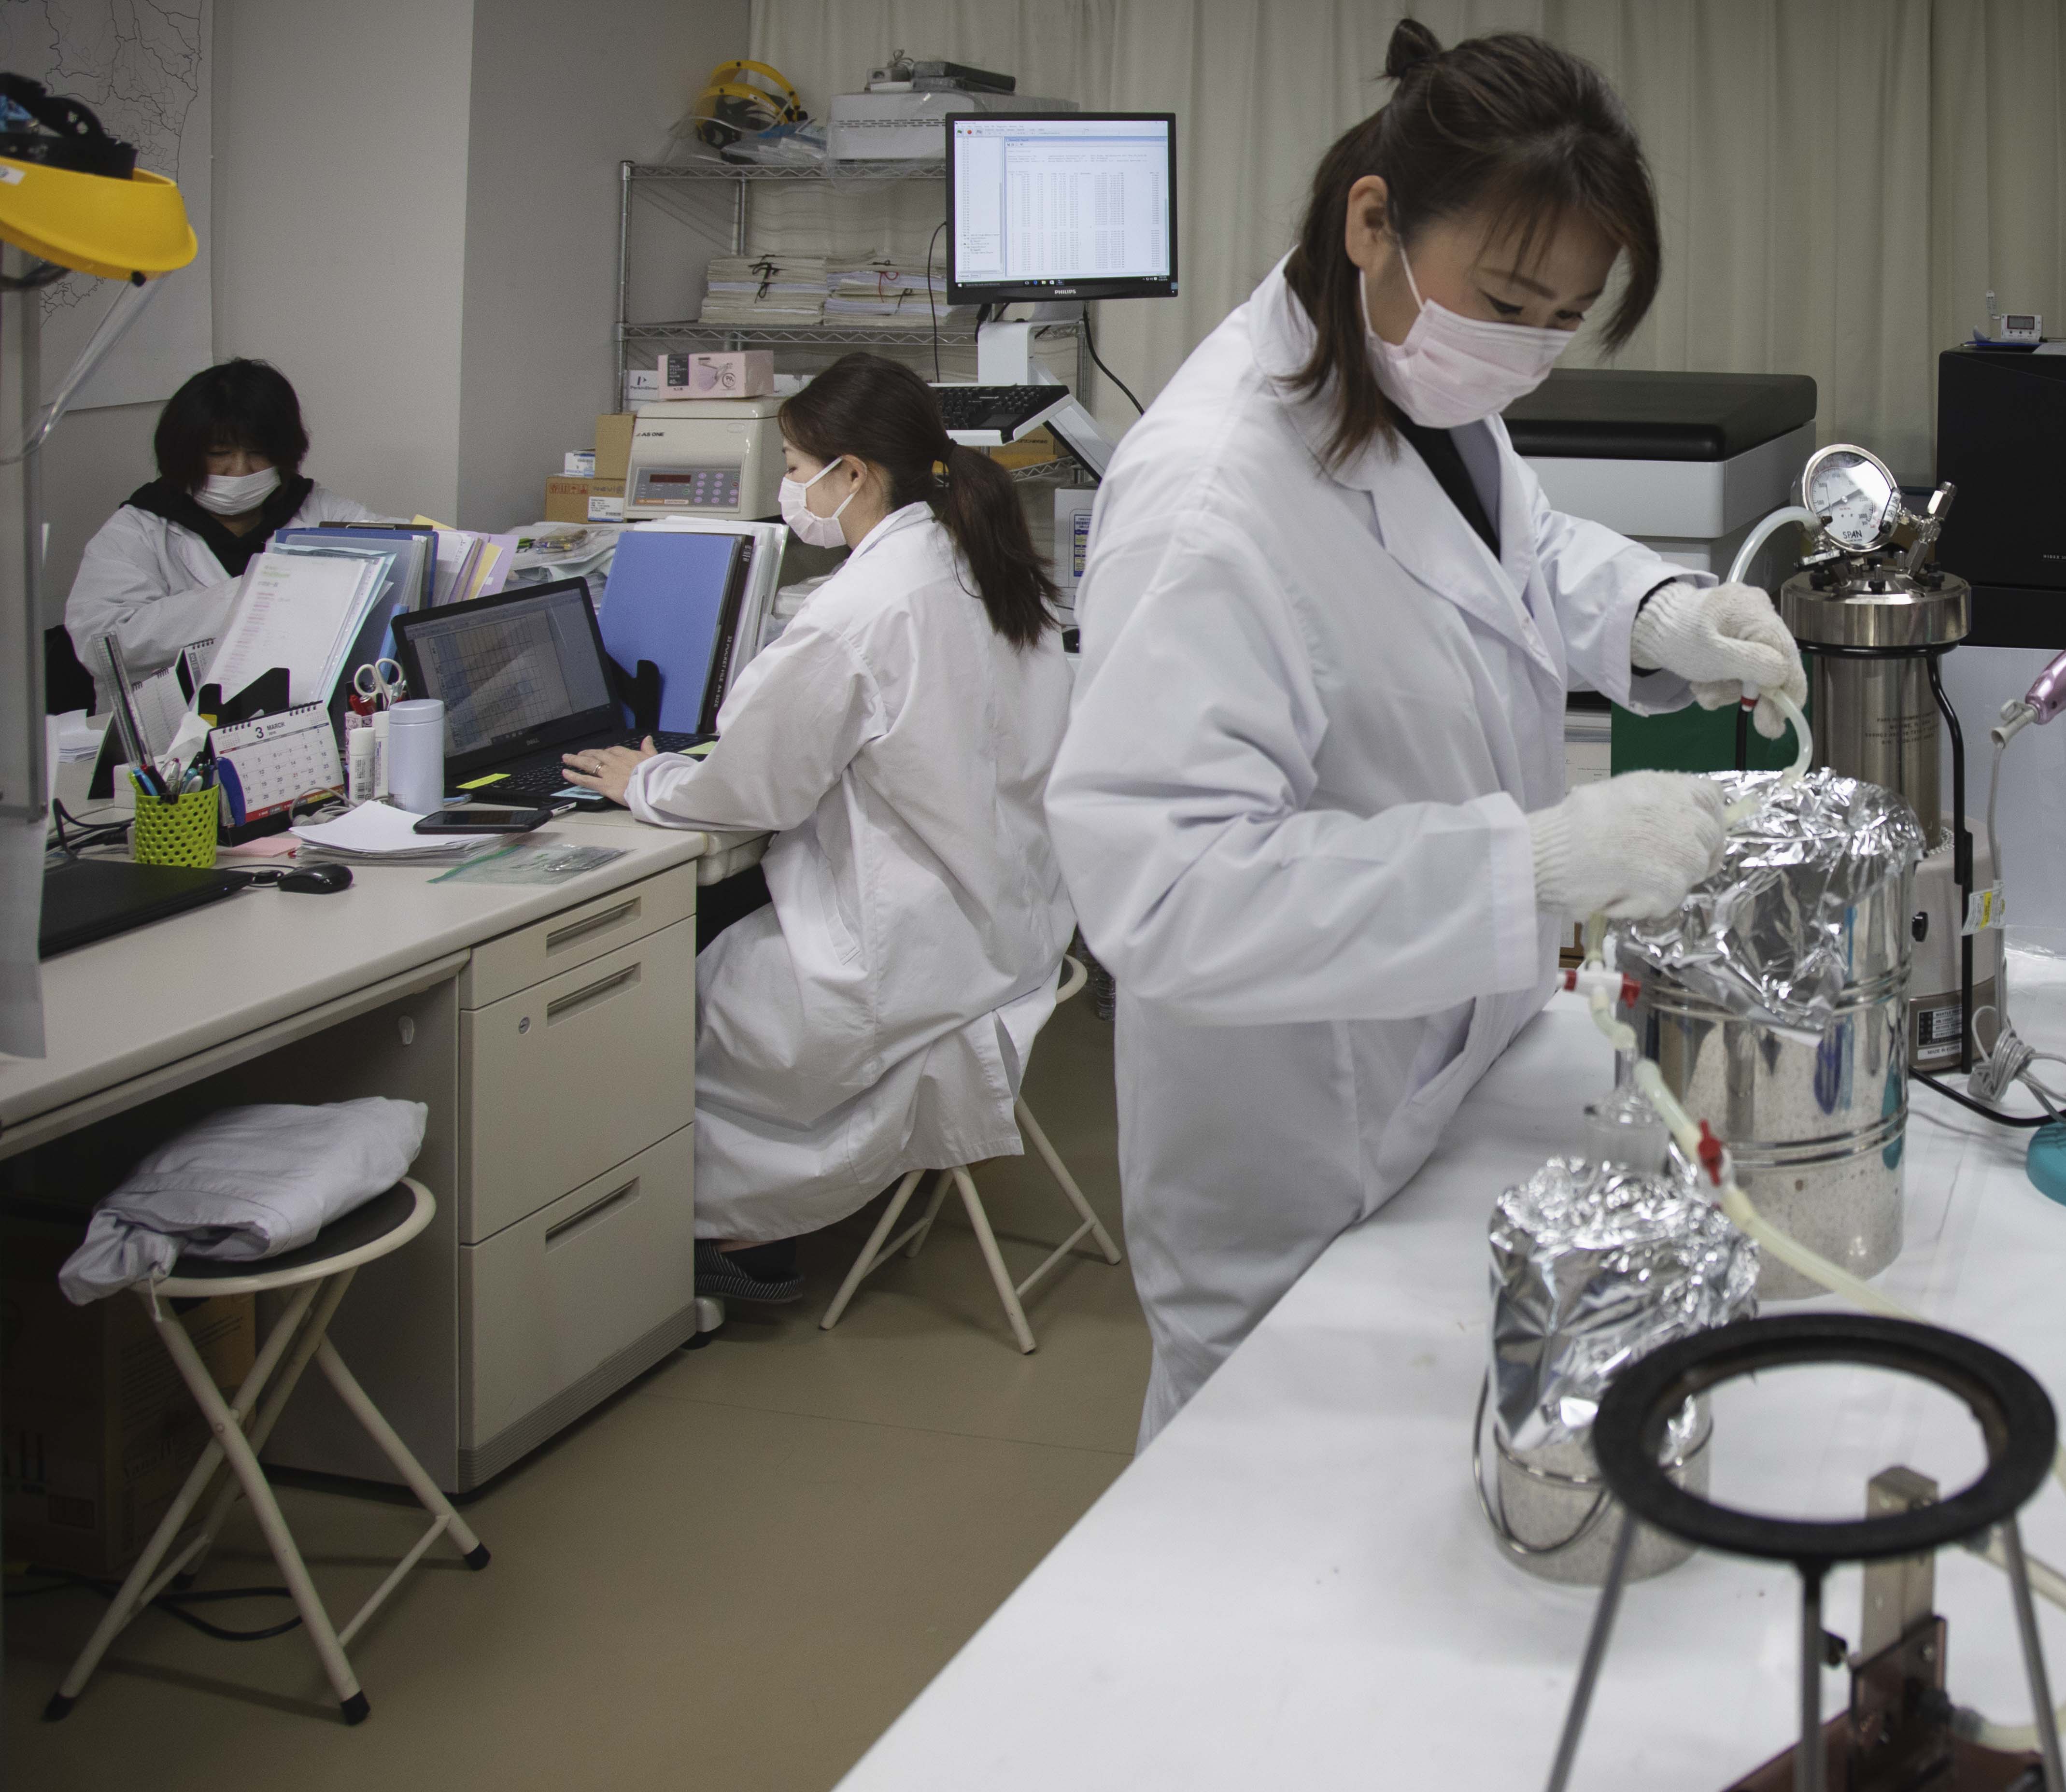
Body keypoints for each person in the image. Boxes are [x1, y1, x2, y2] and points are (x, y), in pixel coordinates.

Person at [1047, 20, 1806, 1440]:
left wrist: (1651, 612)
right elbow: (1165, 895)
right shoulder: (1210, 501)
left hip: (1453, 1074)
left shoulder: (1405, 380)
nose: (1522, 350)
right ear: (1372, 220)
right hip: (1302, 1153)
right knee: (1273, 1556)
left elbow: (1507, 558)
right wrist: (1526, 867)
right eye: (1507, 296)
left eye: (1560, 315)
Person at [562, 353, 1075, 1302]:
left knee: (674, 982)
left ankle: (735, 1237)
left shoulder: (860, 611)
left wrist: (645, 779)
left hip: (914, 951)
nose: (787, 490)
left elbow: (749, 792)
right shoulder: (985, 570)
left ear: (854, 474)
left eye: (796, 468)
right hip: (1012, 927)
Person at [66, 359, 374, 685]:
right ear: (184, 453)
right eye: (219, 452)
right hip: (174, 726)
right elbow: (101, 645)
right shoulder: (136, 531)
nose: (240, 470)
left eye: (257, 452)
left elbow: (411, 549)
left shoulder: (315, 508)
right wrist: (251, 593)